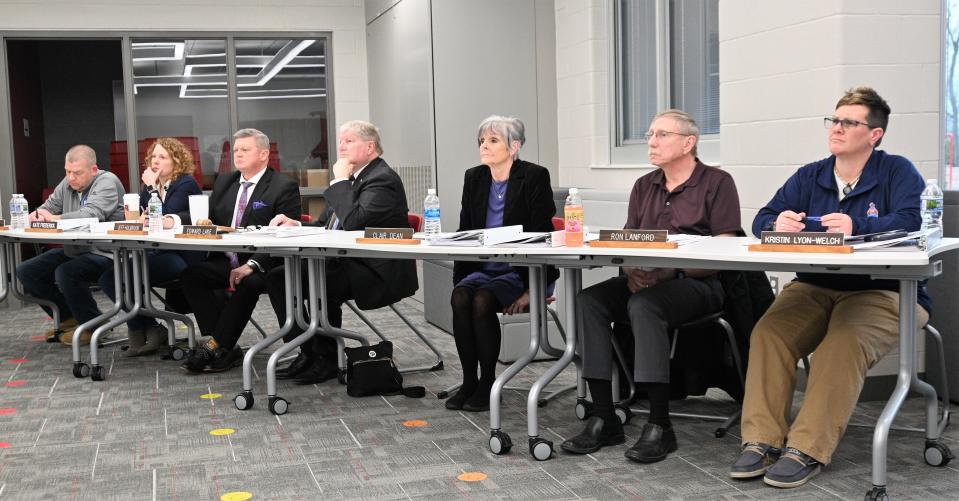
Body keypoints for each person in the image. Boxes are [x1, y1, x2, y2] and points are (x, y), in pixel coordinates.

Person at [729, 87, 929, 488]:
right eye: (834, 120)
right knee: (769, 334)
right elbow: (763, 218)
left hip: (885, 290)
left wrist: (860, 227)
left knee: (841, 344)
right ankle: (762, 440)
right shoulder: (812, 174)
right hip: (815, 286)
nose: (836, 128)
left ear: (874, 135)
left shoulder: (898, 171)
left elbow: (912, 221)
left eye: (848, 122)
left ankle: (807, 448)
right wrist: (775, 224)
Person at [561, 109, 742, 463]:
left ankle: (660, 425)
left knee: (644, 305)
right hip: (645, 279)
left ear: (688, 142)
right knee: (589, 301)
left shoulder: (718, 183)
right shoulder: (645, 186)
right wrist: (630, 270)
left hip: (697, 284)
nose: (651, 142)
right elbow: (627, 241)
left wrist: (668, 273)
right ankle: (603, 416)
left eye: (661, 135)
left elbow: (725, 252)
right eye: (649, 135)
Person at [267, 120, 418, 384]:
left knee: (320, 282)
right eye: (340, 141)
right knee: (279, 277)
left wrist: (338, 180)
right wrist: (298, 224)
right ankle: (307, 351)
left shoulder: (381, 178)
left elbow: (353, 223)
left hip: (373, 269)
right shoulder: (354, 179)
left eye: (349, 141)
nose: (341, 147)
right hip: (345, 261)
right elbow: (326, 225)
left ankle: (326, 359)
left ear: (370, 146)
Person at [444, 115, 558, 412]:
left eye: (493, 140)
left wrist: (536, 288)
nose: (484, 146)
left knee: (482, 301)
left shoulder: (534, 176)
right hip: (482, 268)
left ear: (514, 146)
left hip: (519, 272)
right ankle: (469, 381)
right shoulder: (475, 177)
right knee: (460, 297)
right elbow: (465, 230)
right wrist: (459, 276)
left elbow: (543, 235)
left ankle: (489, 384)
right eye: (482, 141)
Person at [179, 128, 301, 373]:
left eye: (245, 149)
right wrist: (173, 219)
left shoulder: (283, 186)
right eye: (235, 150)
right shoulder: (226, 182)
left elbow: (286, 236)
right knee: (192, 275)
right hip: (228, 259)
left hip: (266, 262)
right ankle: (224, 343)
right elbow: (207, 218)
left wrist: (252, 265)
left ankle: (217, 346)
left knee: (249, 283)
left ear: (264, 154)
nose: (238, 154)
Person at [99, 138, 202, 356]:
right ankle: (148, 329)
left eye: (162, 157)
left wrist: (152, 189)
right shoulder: (151, 187)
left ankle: (144, 331)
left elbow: (163, 216)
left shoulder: (185, 183)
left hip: (180, 255)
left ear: (177, 161)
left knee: (127, 276)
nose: (155, 161)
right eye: (153, 156)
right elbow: (145, 217)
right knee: (111, 278)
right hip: (155, 251)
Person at [17, 145, 125, 346]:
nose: (71, 177)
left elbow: (91, 214)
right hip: (76, 249)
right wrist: (37, 215)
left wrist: (53, 218)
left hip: (108, 253)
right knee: (27, 271)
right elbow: (48, 207)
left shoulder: (107, 181)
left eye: (77, 173)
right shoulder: (68, 182)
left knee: (67, 272)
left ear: (93, 170)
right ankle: (70, 318)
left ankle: (93, 326)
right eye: (68, 172)